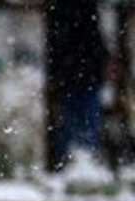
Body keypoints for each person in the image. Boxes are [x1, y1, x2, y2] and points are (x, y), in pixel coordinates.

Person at [46, 0, 107, 171]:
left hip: (74, 71)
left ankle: (74, 162)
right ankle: (80, 162)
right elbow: (92, 35)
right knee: (82, 118)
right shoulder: (81, 12)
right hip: (81, 70)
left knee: (74, 118)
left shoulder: (65, 13)